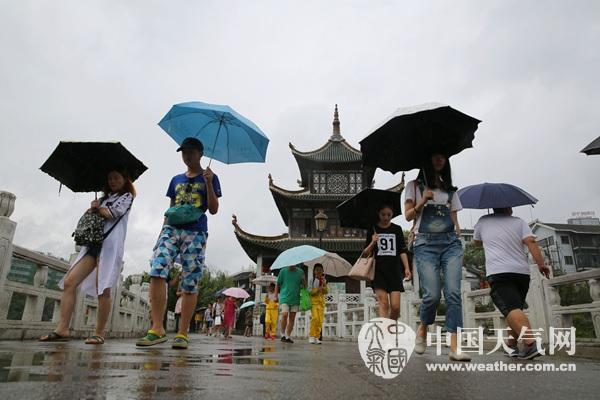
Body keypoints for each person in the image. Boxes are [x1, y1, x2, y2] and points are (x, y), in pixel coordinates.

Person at [136, 137, 222, 350]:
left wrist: (209, 184)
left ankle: (182, 333)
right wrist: (161, 234)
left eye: (191, 152)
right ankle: (157, 328)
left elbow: (213, 209)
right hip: (171, 228)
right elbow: (171, 206)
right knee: (157, 267)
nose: (187, 156)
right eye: (183, 152)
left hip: (196, 230)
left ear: (201, 154)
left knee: (190, 279)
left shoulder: (211, 177)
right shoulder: (175, 179)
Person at [40, 169, 135, 344]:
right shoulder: (102, 199)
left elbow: (112, 213)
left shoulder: (127, 197)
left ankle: (99, 333)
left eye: (116, 177)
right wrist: (93, 207)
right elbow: (92, 215)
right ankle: (62, 328)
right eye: (110, 178)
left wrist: (98, 208)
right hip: (92, 245)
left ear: (125, 179)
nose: (113, 181)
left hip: (109, 246)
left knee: (103, 288)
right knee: (70, 282)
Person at [404, 151, 470, 361]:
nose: (440, 159)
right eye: (435, 155)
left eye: (444, 156)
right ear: (427, 159)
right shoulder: (413, 187)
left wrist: (458, 233)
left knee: (453, 293)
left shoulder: (451, 190)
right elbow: (407, 216)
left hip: (450, 243)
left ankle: (454, 346)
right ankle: (423, 328)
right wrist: (422, 201)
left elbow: (454, 219)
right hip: (425, 243)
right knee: (431, 295)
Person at [473, 207, 551, 360]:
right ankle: (511, 345)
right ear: (507, 207)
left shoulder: (483, 221)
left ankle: (530, 344)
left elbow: (476, 242)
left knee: (511, 308)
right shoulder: (519, 222)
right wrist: (541, 264)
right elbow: (530, 241)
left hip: (499, 272)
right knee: (514, 309)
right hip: (522, 273)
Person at [362, 205, 412, 321]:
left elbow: (402, 251)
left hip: (394, 271)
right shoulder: (373, 229)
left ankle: (391, 327)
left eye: (389, 214)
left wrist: (407, 268)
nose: (386, 217)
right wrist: (373, 242)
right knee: (384, 303)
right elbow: (365, 253)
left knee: (395, 307)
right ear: (378, 214)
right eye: (383, 214)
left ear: (392, 214)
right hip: (378, 272)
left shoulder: (397, 229)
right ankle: (385, 331)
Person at [275, 264, 306, 343]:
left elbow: (304, 286)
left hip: (295, 298)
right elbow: (278, 284)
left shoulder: (300, 272)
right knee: (285, 315)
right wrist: (276, 295)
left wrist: (303, 279)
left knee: (292, 318)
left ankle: (288, 336)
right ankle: (282, 335)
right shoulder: (283, 271)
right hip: (284, 297)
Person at [308, 264, 329, 344]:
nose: (319, 271)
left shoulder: (323, 280)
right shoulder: (311, 280)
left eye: (320, 269)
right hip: (314, 302)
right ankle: (312, 336)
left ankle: (317, 337)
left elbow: (326, 292)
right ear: (314, 271)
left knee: (320, 320)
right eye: (317, 269)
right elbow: (309, 291)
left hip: (321, 303)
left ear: (323, 271)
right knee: (315, 318)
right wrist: (317, 289)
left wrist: (324, 285)